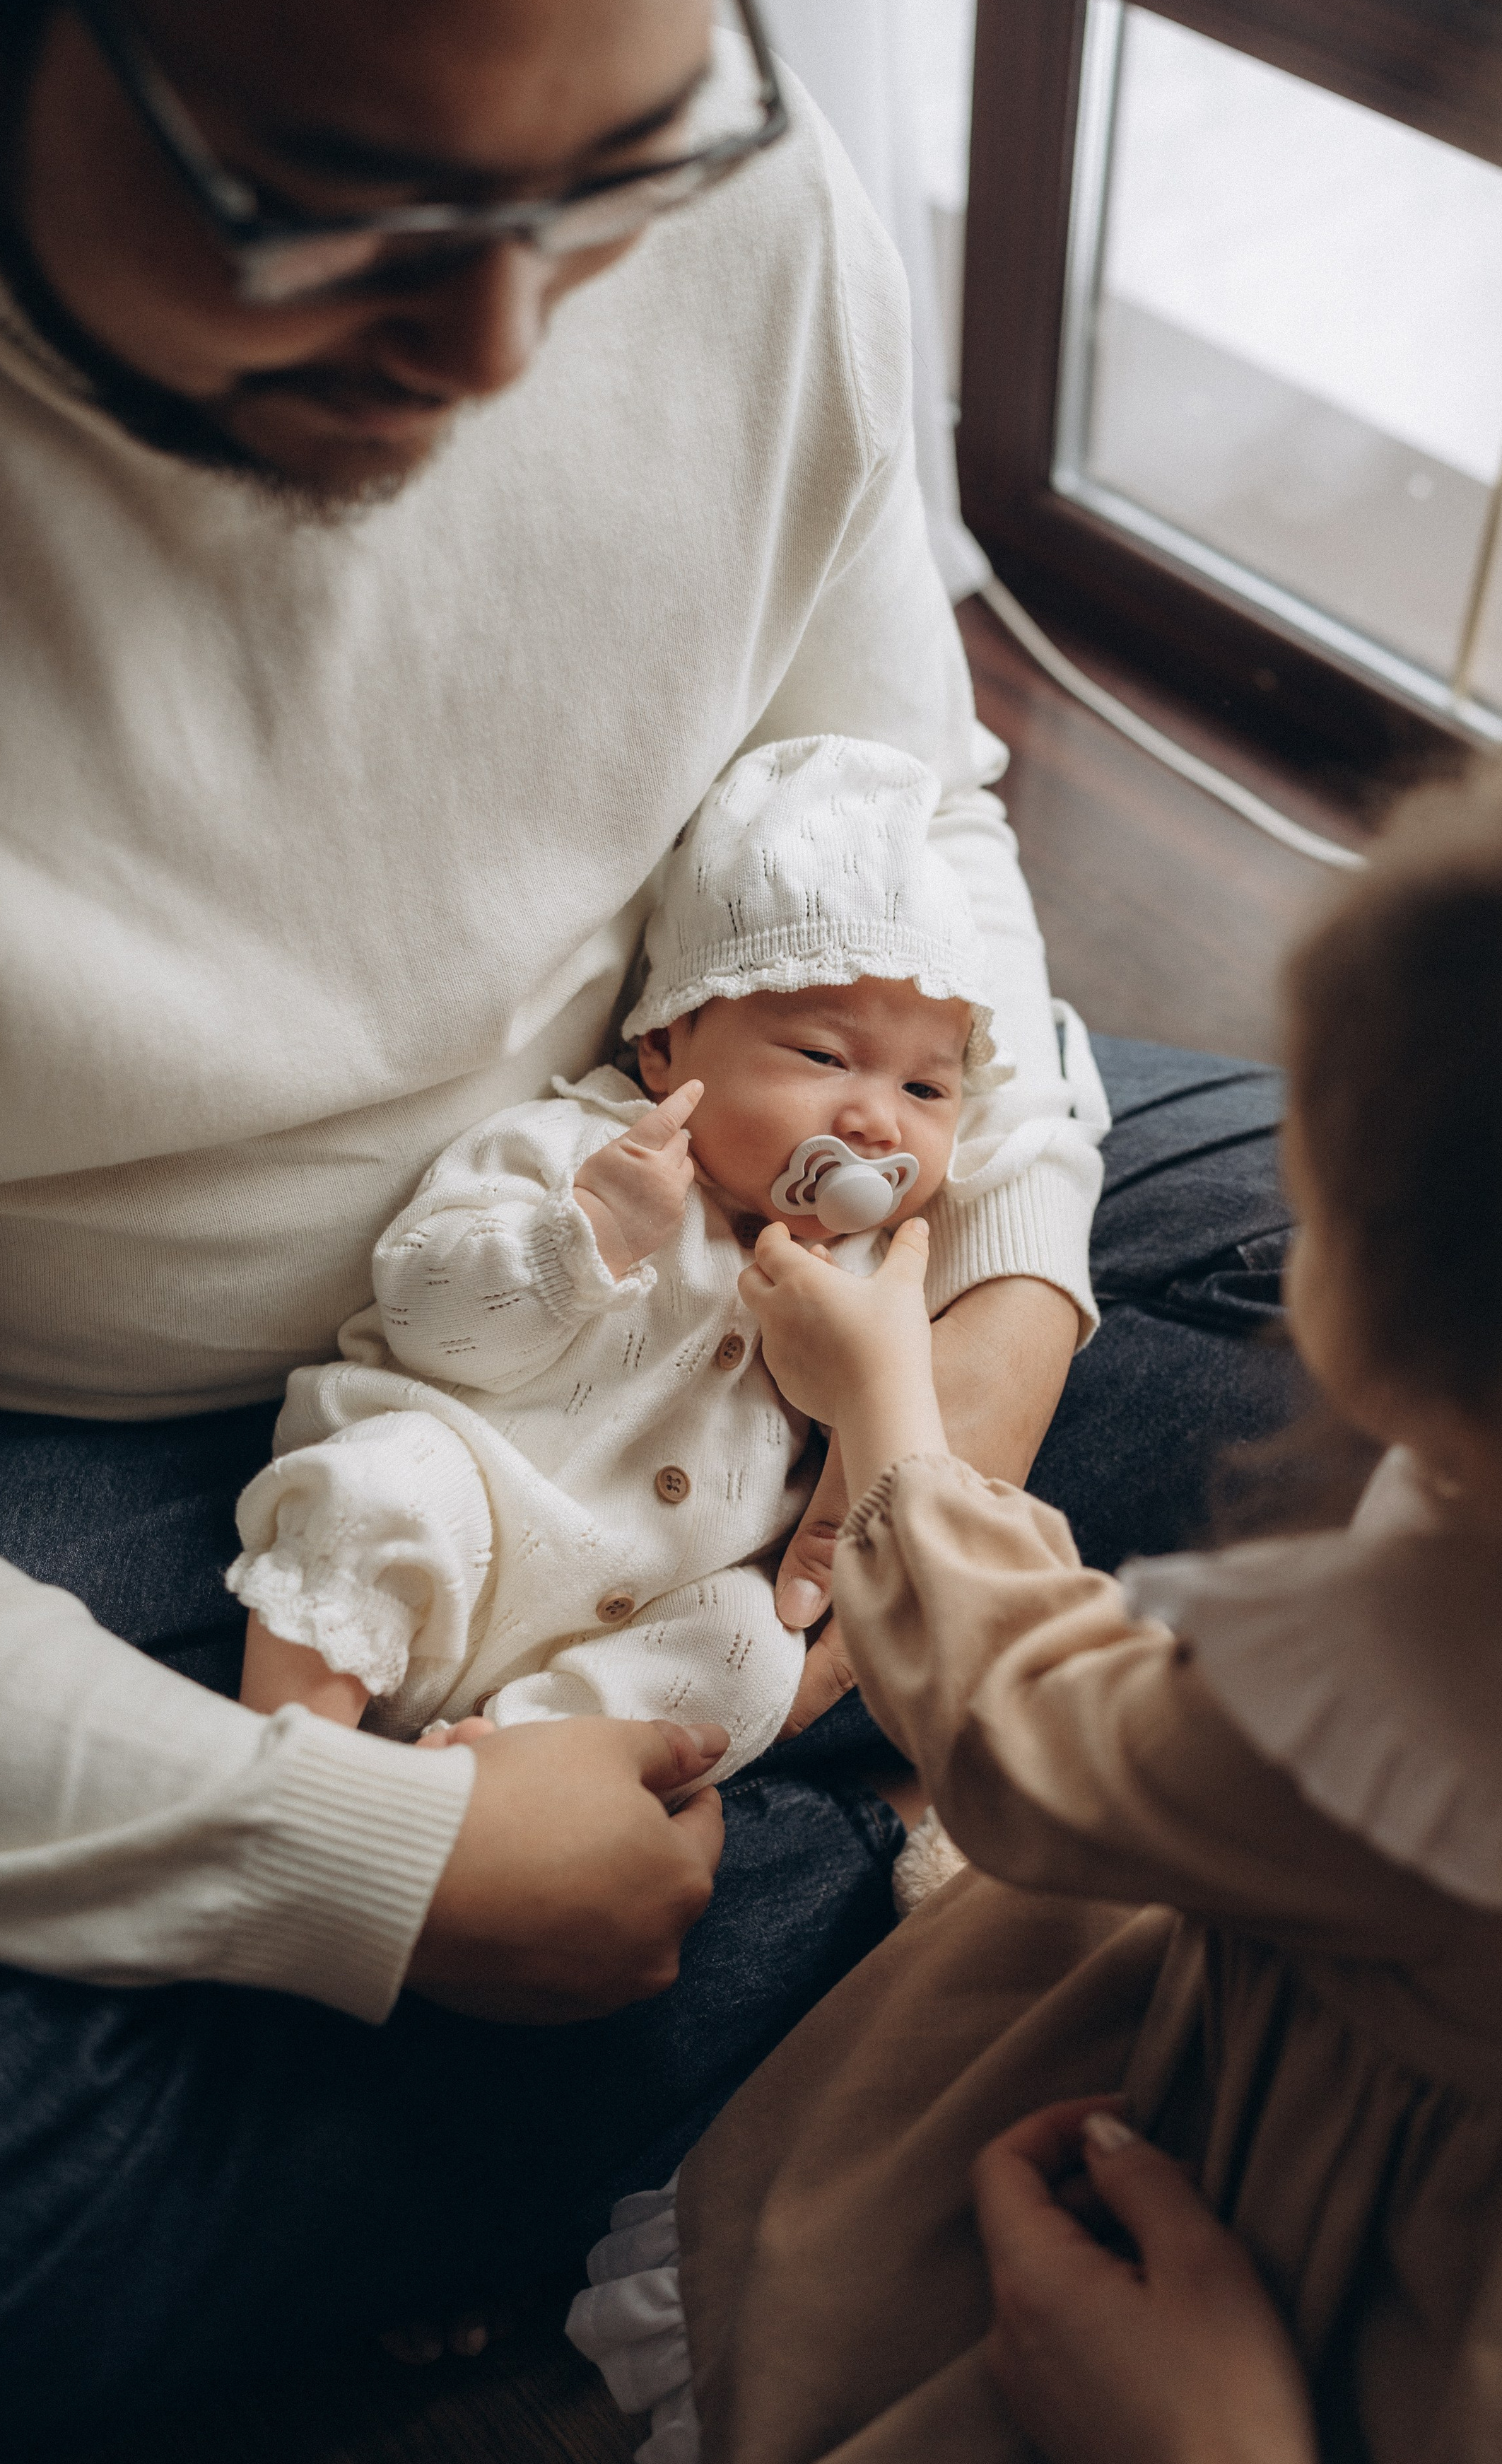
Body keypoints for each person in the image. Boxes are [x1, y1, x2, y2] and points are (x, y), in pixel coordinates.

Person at [0, 0, 1296, 2458]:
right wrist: (341, 1849)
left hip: (747, 1161)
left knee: (1402, 1339)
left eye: (612, 174)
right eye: (334, 202)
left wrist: (983, 1357)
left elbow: (901, 807)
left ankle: (615, 1970)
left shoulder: (736, 189)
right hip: (105, 1433)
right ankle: (888, 1886)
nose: (500, 338)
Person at [572, 769, 1502, 2464]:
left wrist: (887, 1413)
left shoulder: (1435, 1698)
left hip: (1344, 2209)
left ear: (1405, 1324)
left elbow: (1036, 1727)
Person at [233, 735, 1100, 1778]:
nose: (874, 1121)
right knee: (375, 1490)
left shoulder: (876, 1277)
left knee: (748, 1652)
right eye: (824, 1057)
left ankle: (506, 1776)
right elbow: (423, 1312)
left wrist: (876, 1386)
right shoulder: (576, 1152)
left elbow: (874, 1465)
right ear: (665, 1045)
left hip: (642, 1608)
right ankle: (294, 1767)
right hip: (474, 1512)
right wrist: (580, 1240)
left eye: (926, 1091)